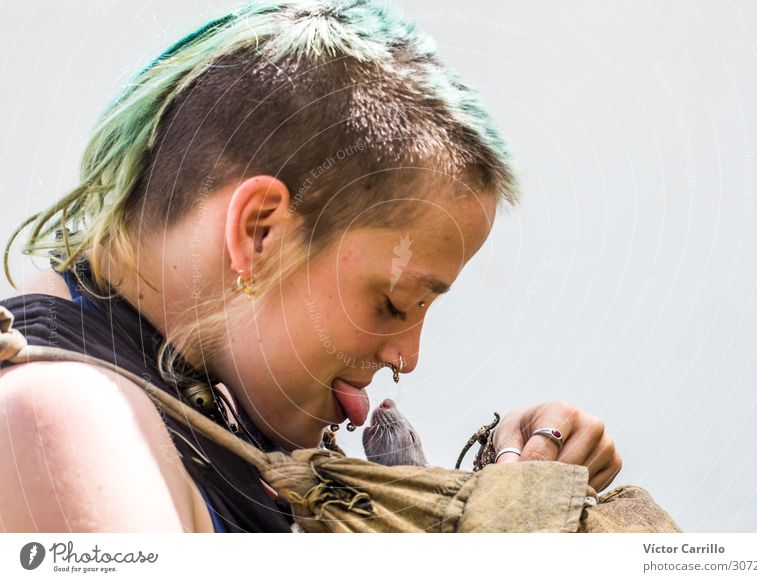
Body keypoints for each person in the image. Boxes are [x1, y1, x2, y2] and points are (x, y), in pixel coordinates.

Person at [0, 0, 621, 533]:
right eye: (395, 302)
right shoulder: (59, 424)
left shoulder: (201, 404)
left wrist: (495, 482)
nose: (408, 356)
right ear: (259, 230)